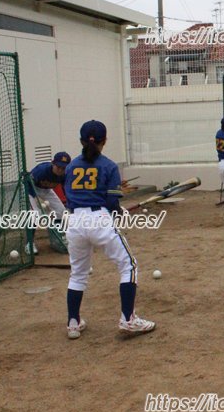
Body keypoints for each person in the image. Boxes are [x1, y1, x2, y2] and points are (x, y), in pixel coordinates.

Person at [64, 120, 155, 339]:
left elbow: (72, 198)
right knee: (129, 265)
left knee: (78, 274)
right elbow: (112, 202)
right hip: (99, 220)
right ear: (105, 140)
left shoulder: (70, 166)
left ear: (81, 141)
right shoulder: (109, 166)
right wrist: (118, 211)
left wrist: (114, 209)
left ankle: (73, 323)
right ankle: (128, 319)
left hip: (75, 221)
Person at [24, 152, 71, 254]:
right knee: (35, 214)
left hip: (47, 190)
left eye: (63, 168)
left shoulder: (65, 174)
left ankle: (57, 238)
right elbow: (29, 183)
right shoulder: (42, 170)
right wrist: (37, 201)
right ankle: (29, 244)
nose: (60, 170)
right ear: (53, 164)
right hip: (31, 189)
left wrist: (69, 202)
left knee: (61, 211)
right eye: (58, 166)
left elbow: (65, 188)